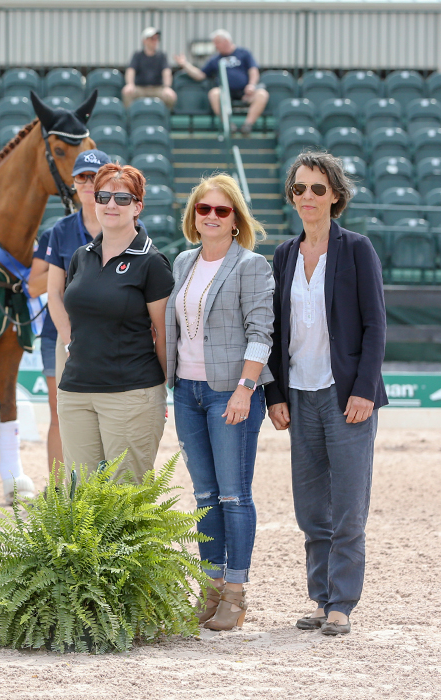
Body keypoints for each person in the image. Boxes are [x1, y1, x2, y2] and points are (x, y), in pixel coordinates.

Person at [266, 151, 387, 637]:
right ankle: (319, 598)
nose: (308, 197)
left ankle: (342, 604)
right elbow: (272, 331)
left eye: (317, 188)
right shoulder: (283, 255)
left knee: (349, 504)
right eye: (299, 189)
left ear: (335, 194)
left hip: (346, 397)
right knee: (312, 506)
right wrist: (272, 393)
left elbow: (376, 325)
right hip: (299, 394)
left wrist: (363, 389)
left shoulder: (357, 249)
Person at [166, 174, 273, 631]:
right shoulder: (183, 262)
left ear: (236, 220)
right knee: (205, 496)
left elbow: (260, 331)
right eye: (203, 209)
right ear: (193, 216)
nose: (210, 216)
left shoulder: (251, 265)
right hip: (186, 391)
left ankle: (235, 590)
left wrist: (245, 389)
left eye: (221, 210)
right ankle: (210, 585)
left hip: (230, 392)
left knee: (233, 494)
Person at [56, 162, 173, 481]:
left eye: (122, 198)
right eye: (103, 196)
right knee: (79, 500)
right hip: (76, 392)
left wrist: (160, 392)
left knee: (124, 502)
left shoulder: (152, 263)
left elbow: (162, 333)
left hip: (131, 395)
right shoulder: (82, 256)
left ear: (138, 206)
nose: (111, 204)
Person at [37, 149, 111, 477]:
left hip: (110, 338)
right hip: (63, 334)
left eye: (95, 177)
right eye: (81, 176)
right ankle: (58, 493)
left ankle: (103, 494)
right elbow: (40, 287)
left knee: (108, 416)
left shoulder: (125, 224)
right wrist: (71, 341)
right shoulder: (60, 230)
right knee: (61, 415)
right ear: (73, 183)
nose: (88, 183)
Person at [174, 29, 269, 135]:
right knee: (214, 94)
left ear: (226, 41)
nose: (216, 46)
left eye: (217, 43)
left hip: (245, 92)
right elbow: (200, 75)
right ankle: (228, 125)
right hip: (225, 93)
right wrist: (185, 64)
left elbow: (253, 71)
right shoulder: (215, 59)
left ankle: (248, 125)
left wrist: (251, 85)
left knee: (262, 94)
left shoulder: (244, 53)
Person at [123, 27, 177, 110]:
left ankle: (164, 119)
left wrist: (167, 87)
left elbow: (166, 72)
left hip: (157, 89)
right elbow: (131, 70)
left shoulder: (162, 56)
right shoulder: (137, 55)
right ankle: (130, 118)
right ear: (144, 40)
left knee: (171, 96)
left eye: (156, 39)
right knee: (127, 93)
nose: (155, 41)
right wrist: (130, 84)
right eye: (152, 39)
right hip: (140, 88)